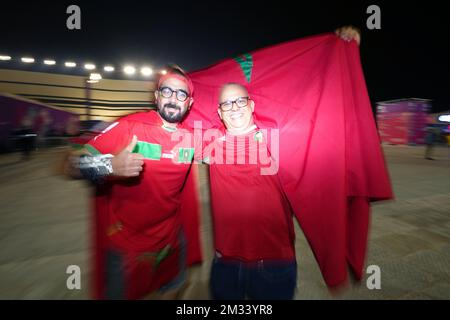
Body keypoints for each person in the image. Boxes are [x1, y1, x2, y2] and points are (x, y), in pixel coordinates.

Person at [204, 26, 361, 300]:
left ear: (252, 105)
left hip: (275, 263)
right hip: (226, 263)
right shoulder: (207, 142)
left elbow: (321, 109)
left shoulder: (280, 138)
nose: (235, 108)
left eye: (240, 101)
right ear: (218, 112)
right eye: (227, 104)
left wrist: (341, 50)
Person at [64, 66, 199, 299]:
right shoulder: (130, 126)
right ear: (156, 96)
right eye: (167, 91)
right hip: (126, 246)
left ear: (189, 102)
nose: (173, 99)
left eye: (181, 94)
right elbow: (69, 166)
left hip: (171, 240)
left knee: (174, 288)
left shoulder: (193, 138)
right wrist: (108, 166)